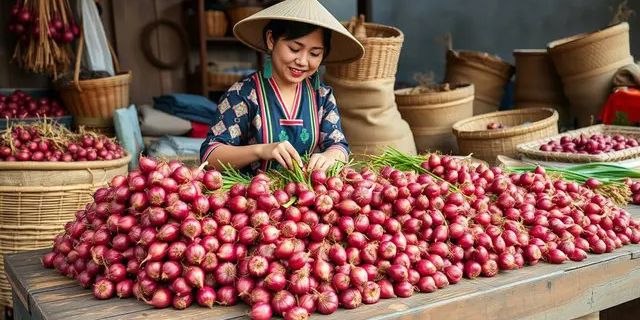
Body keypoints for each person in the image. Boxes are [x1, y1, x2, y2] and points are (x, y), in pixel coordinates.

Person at [200, 0, 364, 174]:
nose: (302, 61)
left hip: (305, 196)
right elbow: (210, 156)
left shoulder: (322, 96)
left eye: (314, 53)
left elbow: (339, 146)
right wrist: (261, 150)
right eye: (294, 49)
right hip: (253, 197)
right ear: (271, 40)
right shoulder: (243, 94)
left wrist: (330, 156)